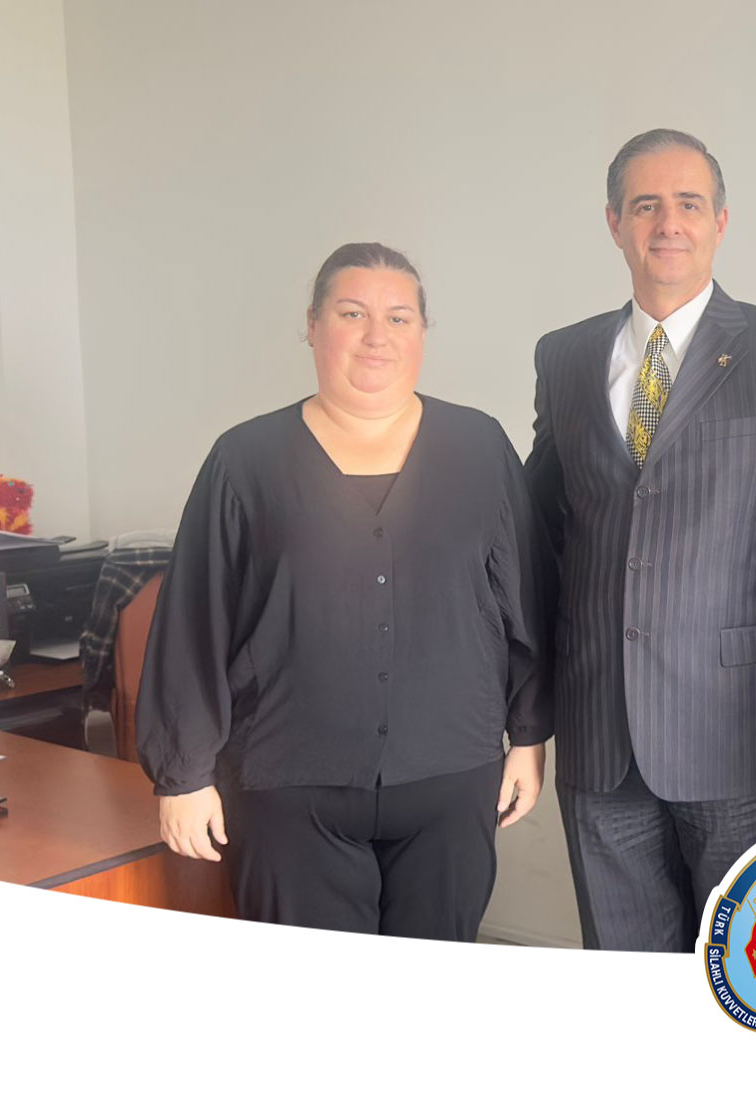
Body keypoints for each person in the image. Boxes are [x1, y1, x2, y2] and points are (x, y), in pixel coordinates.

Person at [138, 242, 554, 941]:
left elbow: (528, 599)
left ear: (422, 332)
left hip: (450, 776)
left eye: (398, 317)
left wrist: (531, 734)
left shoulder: (480, 448)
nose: (376, 336)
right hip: (288, 785)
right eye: (352, 313)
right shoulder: (245, 461)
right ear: (312, 324)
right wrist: (183, 775)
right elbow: (194, 622)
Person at [526, 129, 756, 952]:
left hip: (740, 737)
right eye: (646, 205)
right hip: (600, 735)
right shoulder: (564, 356)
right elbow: (542, 536)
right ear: (614, 222)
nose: (667, 223)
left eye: (687, 203)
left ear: (721, 221)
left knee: (752, 971)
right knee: (626, 971)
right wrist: (527, 712)